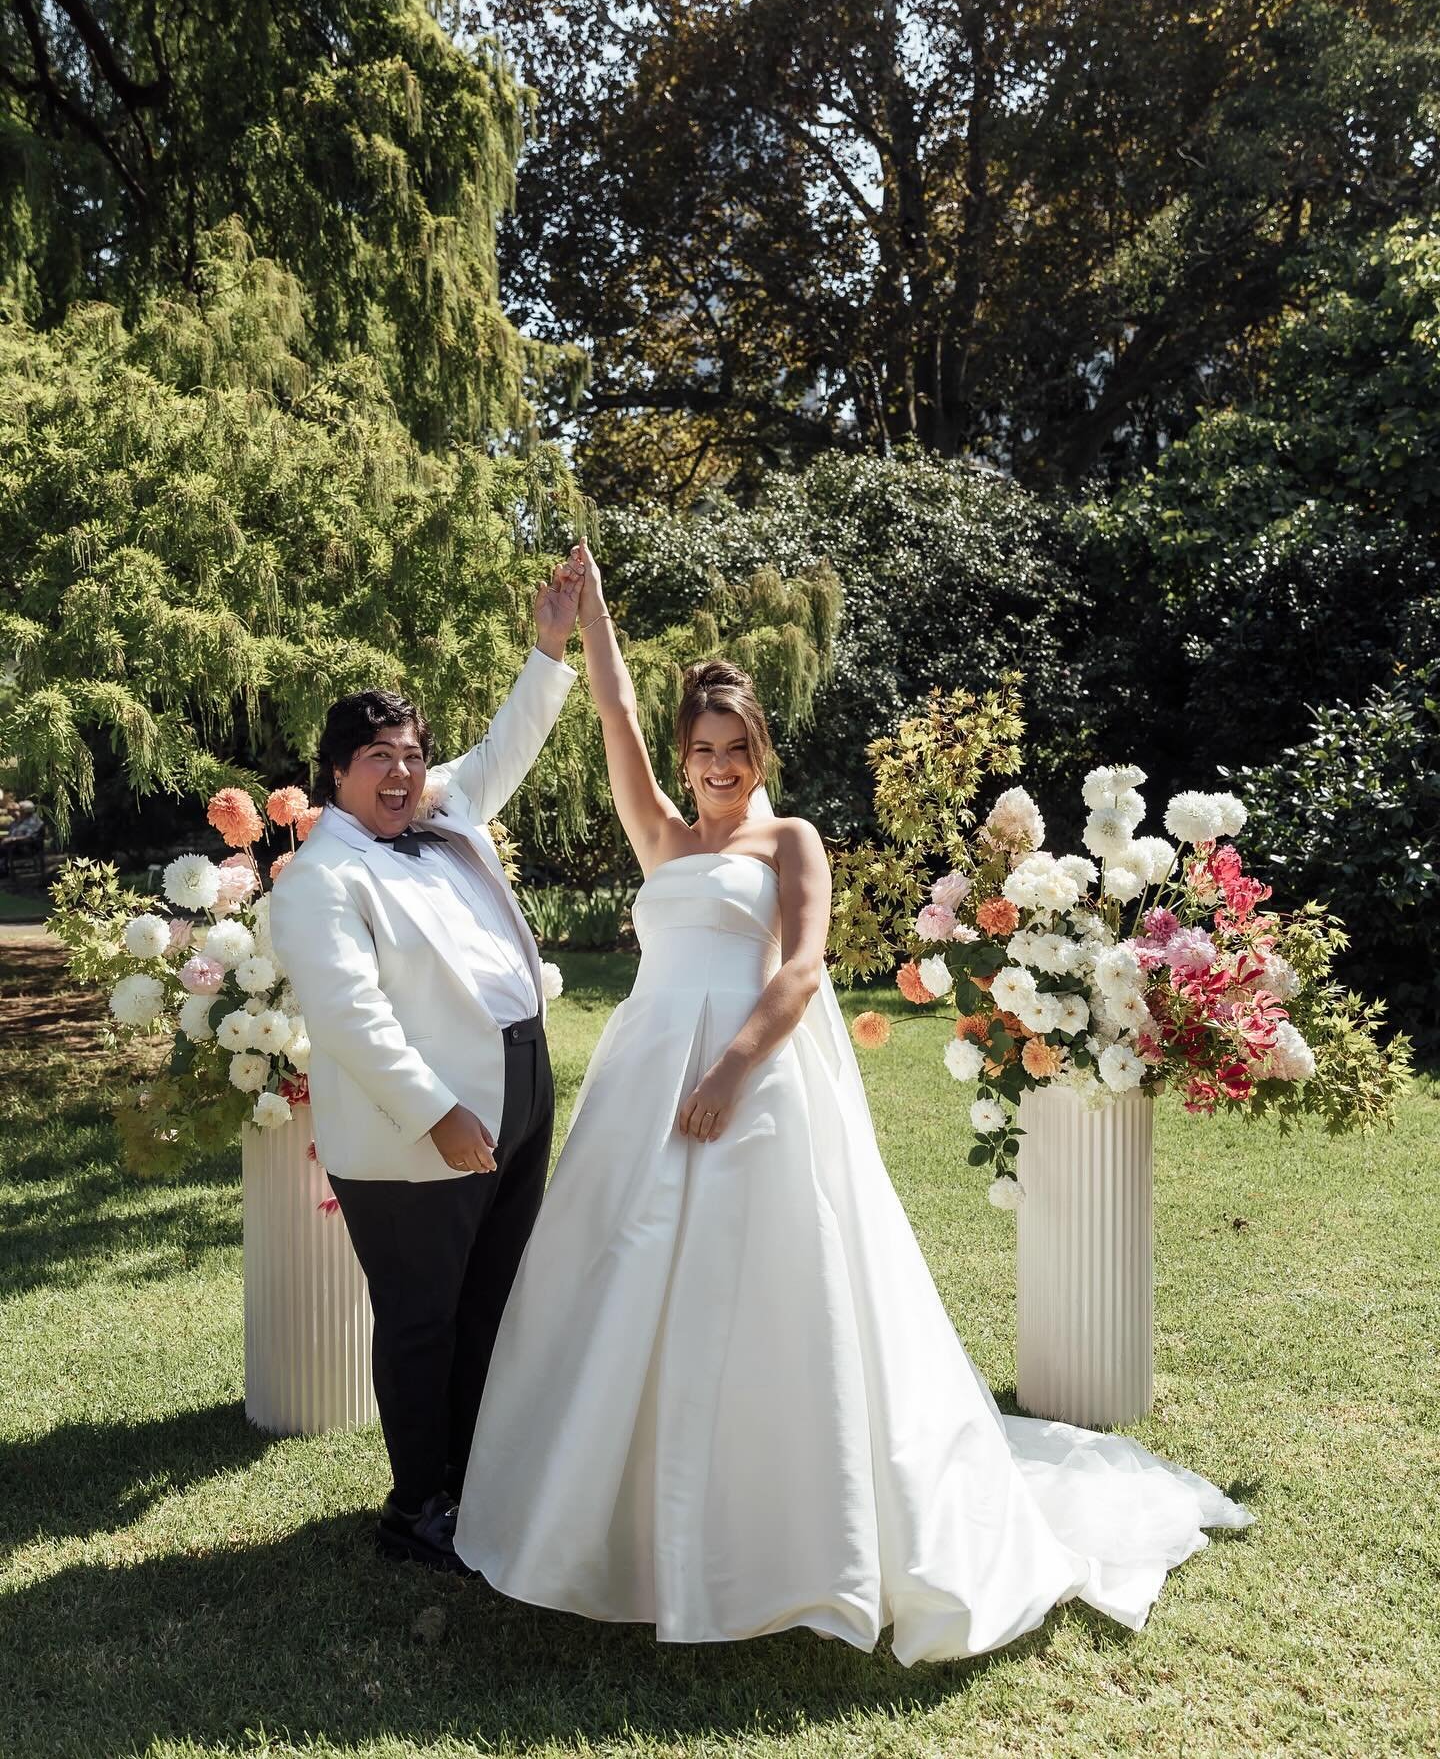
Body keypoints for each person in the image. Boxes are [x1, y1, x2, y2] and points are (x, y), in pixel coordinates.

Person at [454, 546, 1252, 1663]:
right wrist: (584, 619)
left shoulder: (792, 842)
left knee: (775, 1294)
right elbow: (613, 712)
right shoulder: (660, 835)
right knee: (617, 1283)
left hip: (750, 1078)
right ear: (685, 760)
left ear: (759, 755)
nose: (720, 766)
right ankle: (619, 1532)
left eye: (738, 750)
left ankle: (789, 1539)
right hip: (643, 1080)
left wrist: (728, 1073)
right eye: (704, 750)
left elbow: (801, 972)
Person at [270, 558, 585, 1574]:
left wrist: (549, 647)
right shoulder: (322, 880)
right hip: (425, 1128)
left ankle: (475, 1487)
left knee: (493, 1303)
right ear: (336, 774)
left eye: (409, 756)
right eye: (376, 759)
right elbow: (353, 1021)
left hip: (520, 1087)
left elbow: (506, 748)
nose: (399, 775)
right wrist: (437, 1113)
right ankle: (416, 1514)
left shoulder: (445, 819)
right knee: (423, 1321)